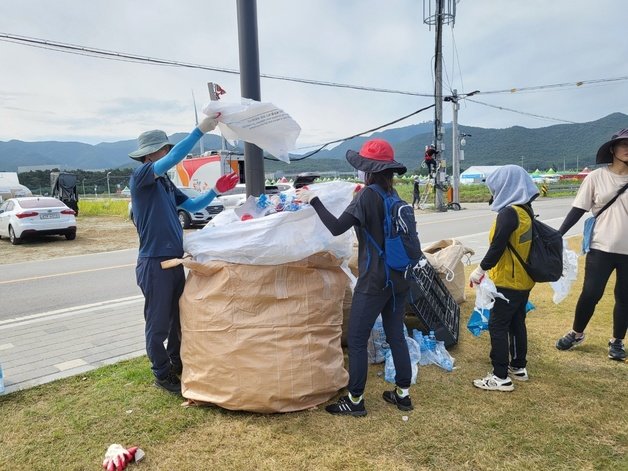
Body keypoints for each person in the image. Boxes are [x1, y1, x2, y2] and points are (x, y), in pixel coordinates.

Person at [296, 139, 414, 416]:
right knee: (396, 336)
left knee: (358, 340)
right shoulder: (394, 197)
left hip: (373, 281)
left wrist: (313, 200)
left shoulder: (365, 197)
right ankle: (402, 395)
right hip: (399, 279)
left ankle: (356, 401)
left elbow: (337, 227)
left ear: (367, 169)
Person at [129, 115, 239, 394]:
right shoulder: (142, 176)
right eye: (164, 149)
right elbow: (175, 158)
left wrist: (215, 191)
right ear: (150, 154)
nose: (168, 152)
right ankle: (161, 373)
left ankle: (176, 364)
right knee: (158, 325)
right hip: (154, 263)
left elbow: (191, 205)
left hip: (174, 261)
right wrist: (201, 130)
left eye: (167, 149)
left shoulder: (164, 183)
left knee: (178, 318)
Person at [555, 128, 628, 361]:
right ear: (612, 149)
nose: (627, 148)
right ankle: (576, 333)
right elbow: (578, 209)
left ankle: (617, 341)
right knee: (590, 293)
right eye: (623, 144)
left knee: (625, 297)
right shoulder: (596, 177)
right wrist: (558, 234)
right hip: (600, 248)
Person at [469, 165, 539, 392]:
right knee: (517, 322)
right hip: (523, 280)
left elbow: (497, 246)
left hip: (507, 283)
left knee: (497, 324)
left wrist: (479, 271)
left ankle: (500, 376)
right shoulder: (525, 209)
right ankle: (518, 367)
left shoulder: (509, 213)